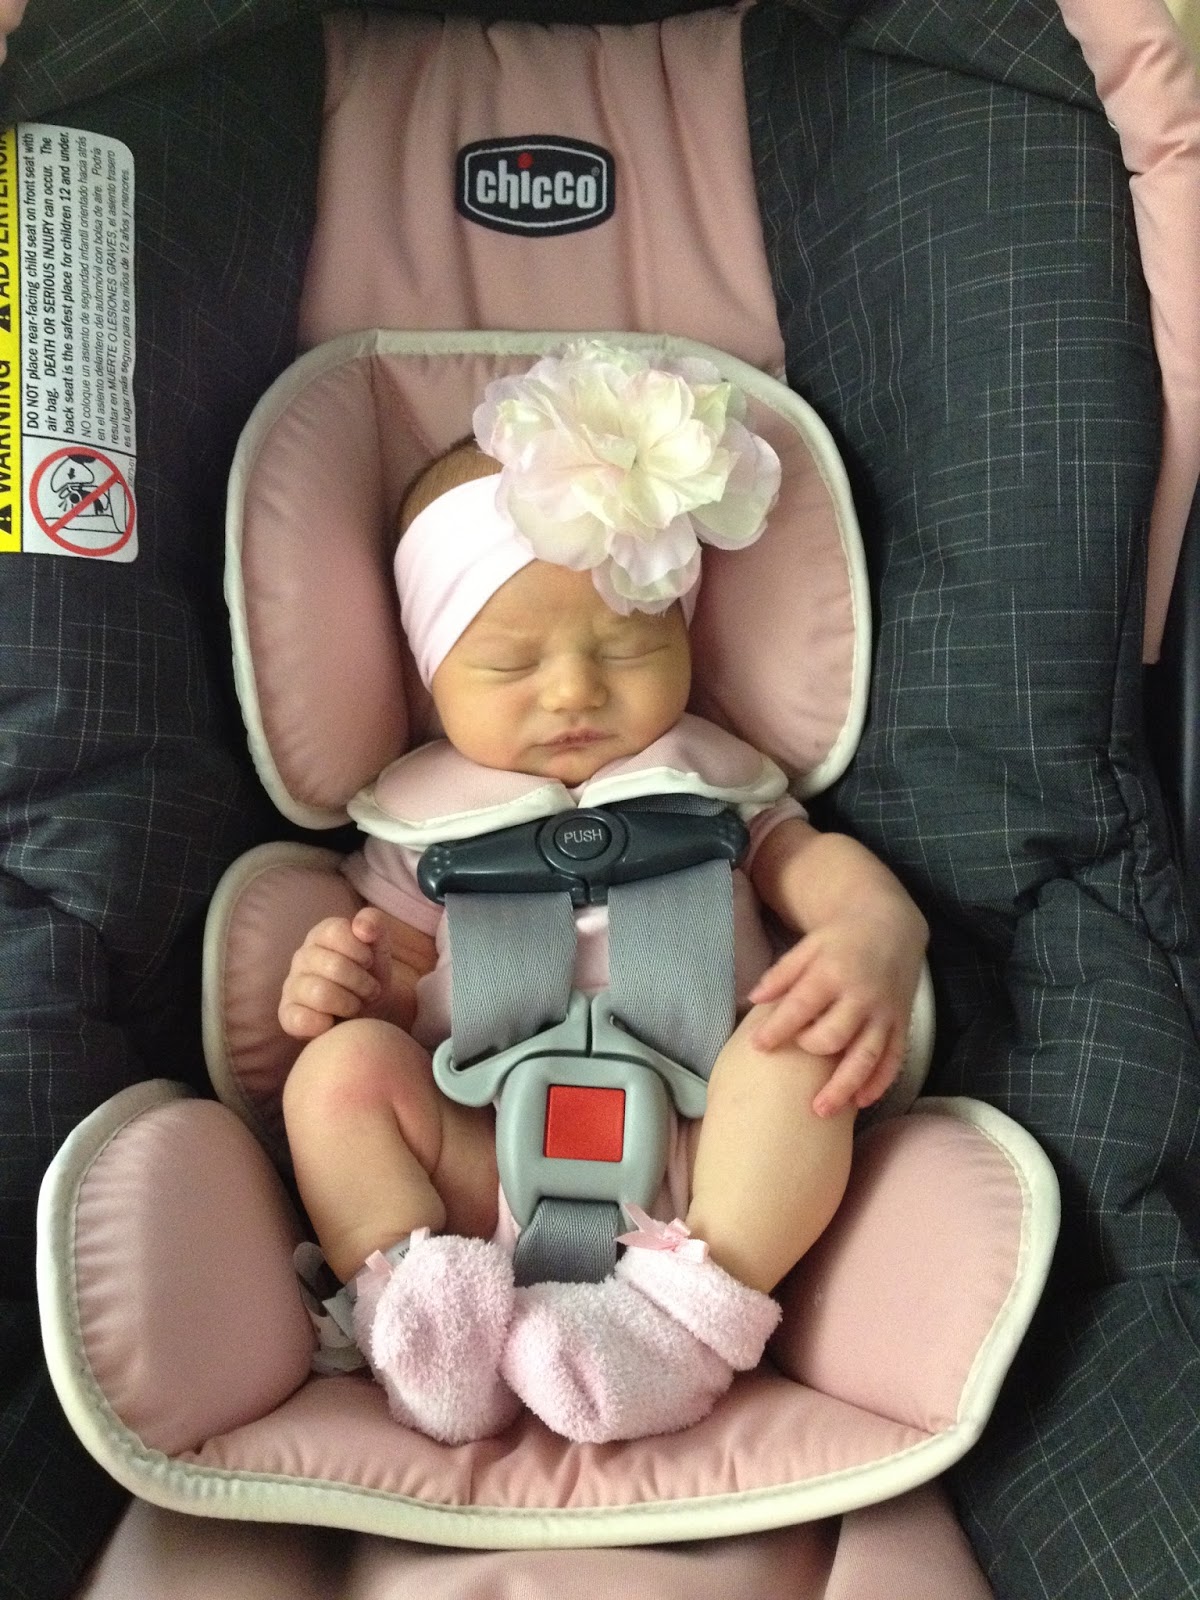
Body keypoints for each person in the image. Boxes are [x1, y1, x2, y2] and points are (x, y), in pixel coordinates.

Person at [279, 342, 928, 1446]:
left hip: (701, 1155)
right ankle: (418, 1311)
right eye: (511, 665)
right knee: (337, 1079)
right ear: (432, 673)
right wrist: (348, 988)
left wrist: (875, 925)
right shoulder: (419, 825)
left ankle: (683, 1326)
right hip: (478, 1159)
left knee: (799, 1061)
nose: (575, 691)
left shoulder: (716, 790)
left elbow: (809, 866)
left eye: (628, 646)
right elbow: (393, 979)